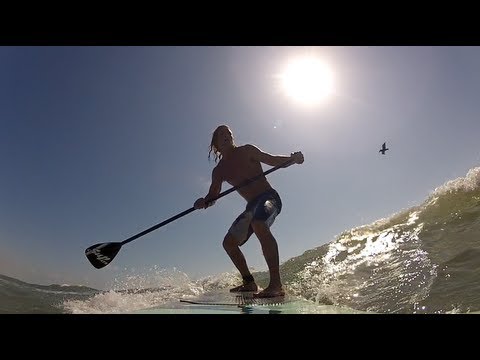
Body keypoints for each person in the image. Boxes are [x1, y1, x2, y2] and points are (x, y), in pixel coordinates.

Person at [194, 125, 304, 298]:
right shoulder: (219, 171)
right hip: (251, 206)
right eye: (221, 134)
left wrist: (292, 159)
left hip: (269, 198)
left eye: (228, 133)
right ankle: (249, 282)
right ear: (215, 143)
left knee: (259, 223)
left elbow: (272, 160)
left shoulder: (247, 150)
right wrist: (204, 202)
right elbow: (213, 195)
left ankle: (276, 284)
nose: (226, 135)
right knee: (228, 243)